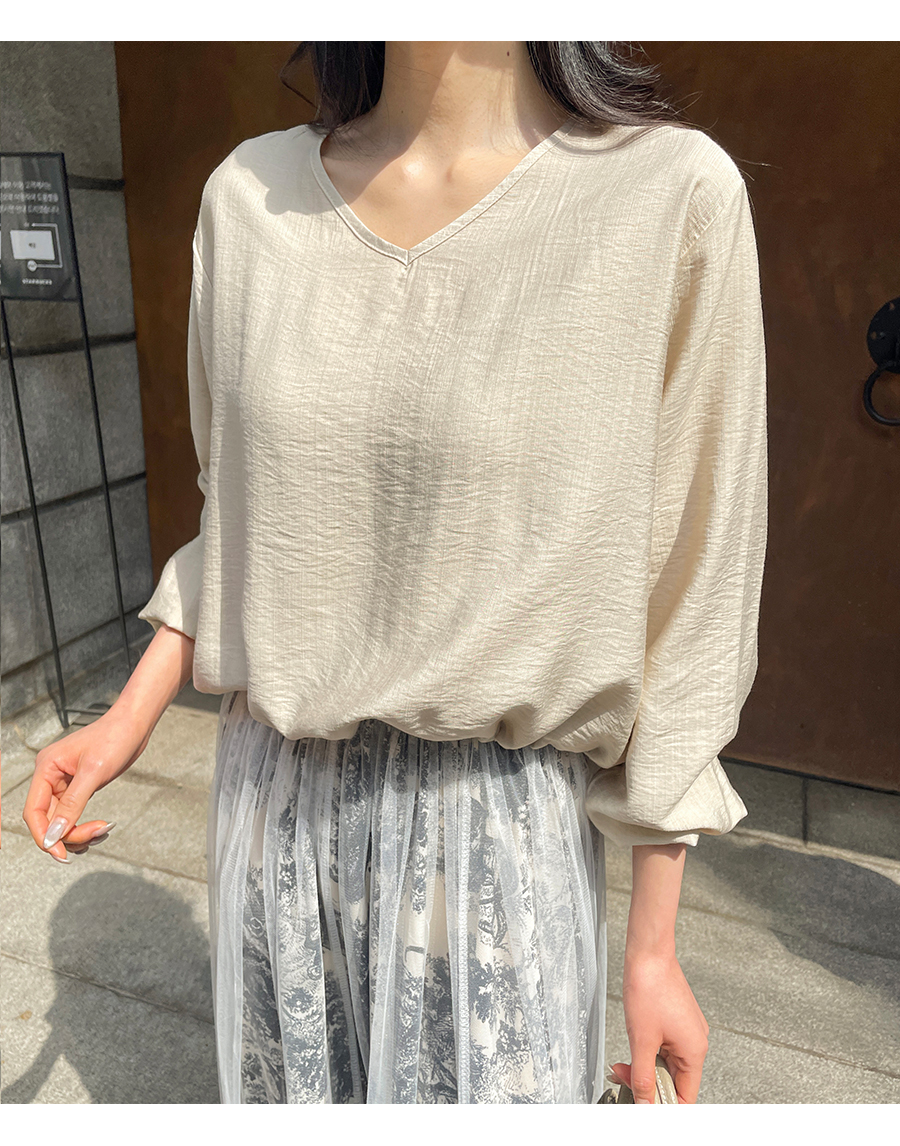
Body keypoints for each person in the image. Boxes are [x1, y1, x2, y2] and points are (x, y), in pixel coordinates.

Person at [23, 41, 767, 1104]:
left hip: (497, 838)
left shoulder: (669, 195)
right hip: (274, 807)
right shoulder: (250, 196)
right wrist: (128, 716)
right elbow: (245, 516)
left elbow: (695, 578)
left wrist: (653, 949)